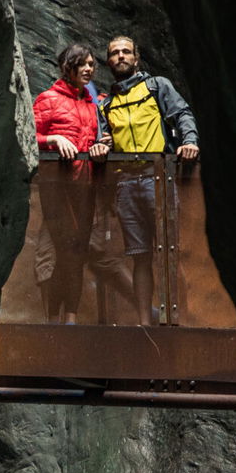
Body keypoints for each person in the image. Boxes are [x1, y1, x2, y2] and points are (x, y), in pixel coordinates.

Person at [102, 35, 199, 324]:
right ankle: (144, 322)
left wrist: (190, 140)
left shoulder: (156, 86)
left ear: (136, 57)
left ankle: (181, 319)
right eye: (115, 53)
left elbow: (181, 114)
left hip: (158, 178)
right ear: (109, 61)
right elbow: (103, 138)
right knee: (139, 256)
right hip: (125, 185)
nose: (120, 56)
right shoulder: (107, 104)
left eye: (126, 52)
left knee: (170, 251)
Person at [30, 43, 111, 323]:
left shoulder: (92, 105)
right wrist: (53, 139)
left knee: (77, 250)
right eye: (83, 64)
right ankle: (55, 317)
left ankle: (71, 319)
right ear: (69, 67)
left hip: (85, 187)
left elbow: (94, 141)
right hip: (56, 186)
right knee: (64, 248)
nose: (89, 69)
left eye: (91, 64)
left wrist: (102, 147)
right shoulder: (48, 99)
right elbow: (28, 137)